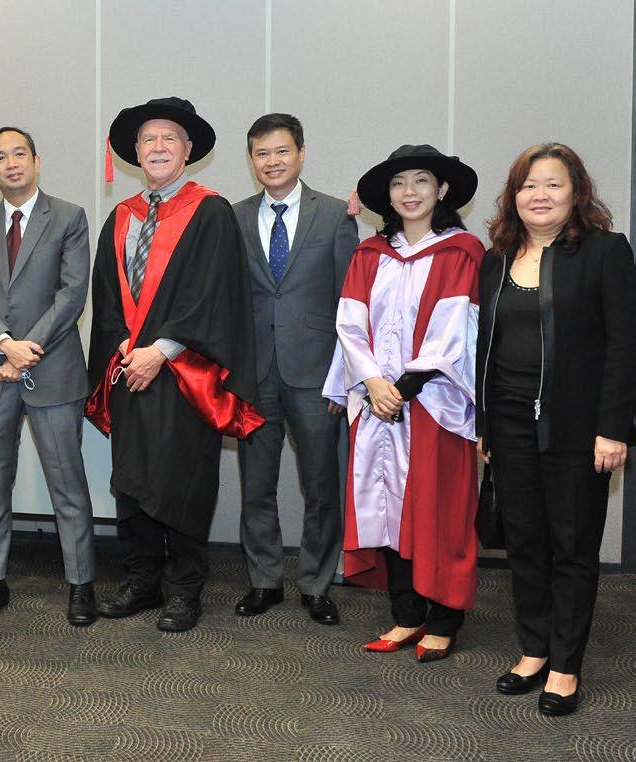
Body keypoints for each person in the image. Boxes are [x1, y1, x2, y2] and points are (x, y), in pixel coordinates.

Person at [87, 97, 262, 633]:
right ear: (135, 152)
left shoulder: (210, 212)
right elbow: (107, 293)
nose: (158, 147)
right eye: (148, 139)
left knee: (182, 479)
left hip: (186, 373)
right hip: (129, 370)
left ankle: (184, 589)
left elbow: (214, 295)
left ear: (188, 150)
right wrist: (123, 346)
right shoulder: (121, 216)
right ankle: (141, 580)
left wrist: (160, 351)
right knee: (131, 479)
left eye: (169, 138)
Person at [477, 143, 636, 715]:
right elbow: (486, 347)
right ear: (513, 196)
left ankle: (565, 665)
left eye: (552, 184)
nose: (539, 195)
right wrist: (485, 425)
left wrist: (613, 428)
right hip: (509, 422)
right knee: (524, 543)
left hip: (578, 428)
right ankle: (535, 648)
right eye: (528, 185)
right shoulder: (497, 258)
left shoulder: (604, 252)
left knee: (572, 547)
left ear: (576, 193)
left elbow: (625, 344)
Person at [323, 144, 484, 663]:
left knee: (440, 509)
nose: (409, 192)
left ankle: (444, 618)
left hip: (437, 403)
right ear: (387, 196)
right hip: (378, 404)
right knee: (387, 505)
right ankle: (406, 614)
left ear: (442, 189)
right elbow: (350, 324)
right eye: (398, 183)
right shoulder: (370, 254)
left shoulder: (461, 252)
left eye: (421, 181)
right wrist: (374, 383)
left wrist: (403, 389)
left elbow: (454, 332)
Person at [0, 126, 96, 626]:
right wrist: (4, 344)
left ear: (36, 161)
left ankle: (81, 584)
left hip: (52, 371)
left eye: (19, 154)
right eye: (0, 157)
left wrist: (25, 350)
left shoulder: (68, 217)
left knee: (67, 484)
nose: (11, 163)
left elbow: (71, 294)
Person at [231, 114, 357, 625]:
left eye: (281, 151)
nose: (272, 162)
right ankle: (264, 579)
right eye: (262, 153)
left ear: (301, 153)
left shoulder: (335, 215)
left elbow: (351, 302)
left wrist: (345, 376)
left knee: (321, 483)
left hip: (317, 373)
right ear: (251, 160)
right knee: (256, 482)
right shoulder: (234, 217)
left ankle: (316, 583)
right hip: (255, 372)